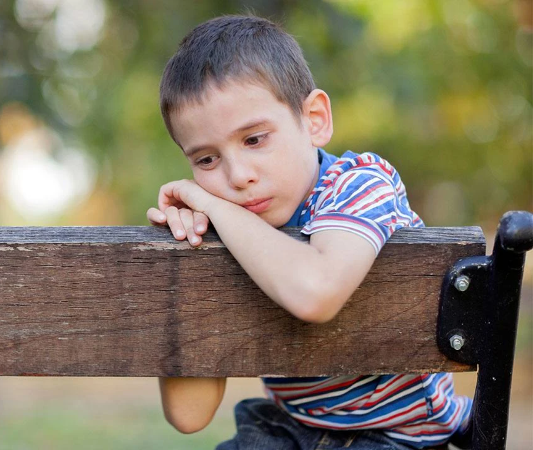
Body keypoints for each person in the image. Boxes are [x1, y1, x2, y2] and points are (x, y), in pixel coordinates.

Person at [146, 15, 472, 450]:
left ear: (314, 119)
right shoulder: (226, 224)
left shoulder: (360, 182)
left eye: (254, 139)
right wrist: (188, 254)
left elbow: (315, 292)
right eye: (206, 161)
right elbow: (190, 415)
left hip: (398, 436)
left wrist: (213, 206)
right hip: (286, 430)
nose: (238, 176)